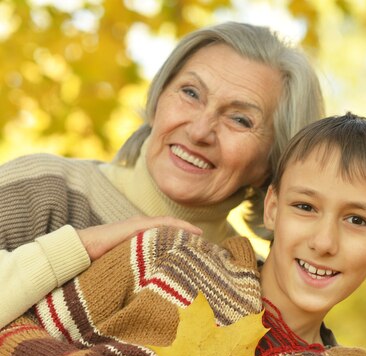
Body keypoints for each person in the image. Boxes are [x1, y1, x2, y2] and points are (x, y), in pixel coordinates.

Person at [0, 113, 366, 356]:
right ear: (272, 208)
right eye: (305, 207)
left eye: (357, 220)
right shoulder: (165, 258)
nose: (324, 242)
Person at [0, 21, 325, 328]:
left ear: (273, 163)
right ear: (157, 101)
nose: (200, 131)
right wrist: (81, 248)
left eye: (240, 120)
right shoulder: (45, 187)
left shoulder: (256, 287)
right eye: (191, 93)